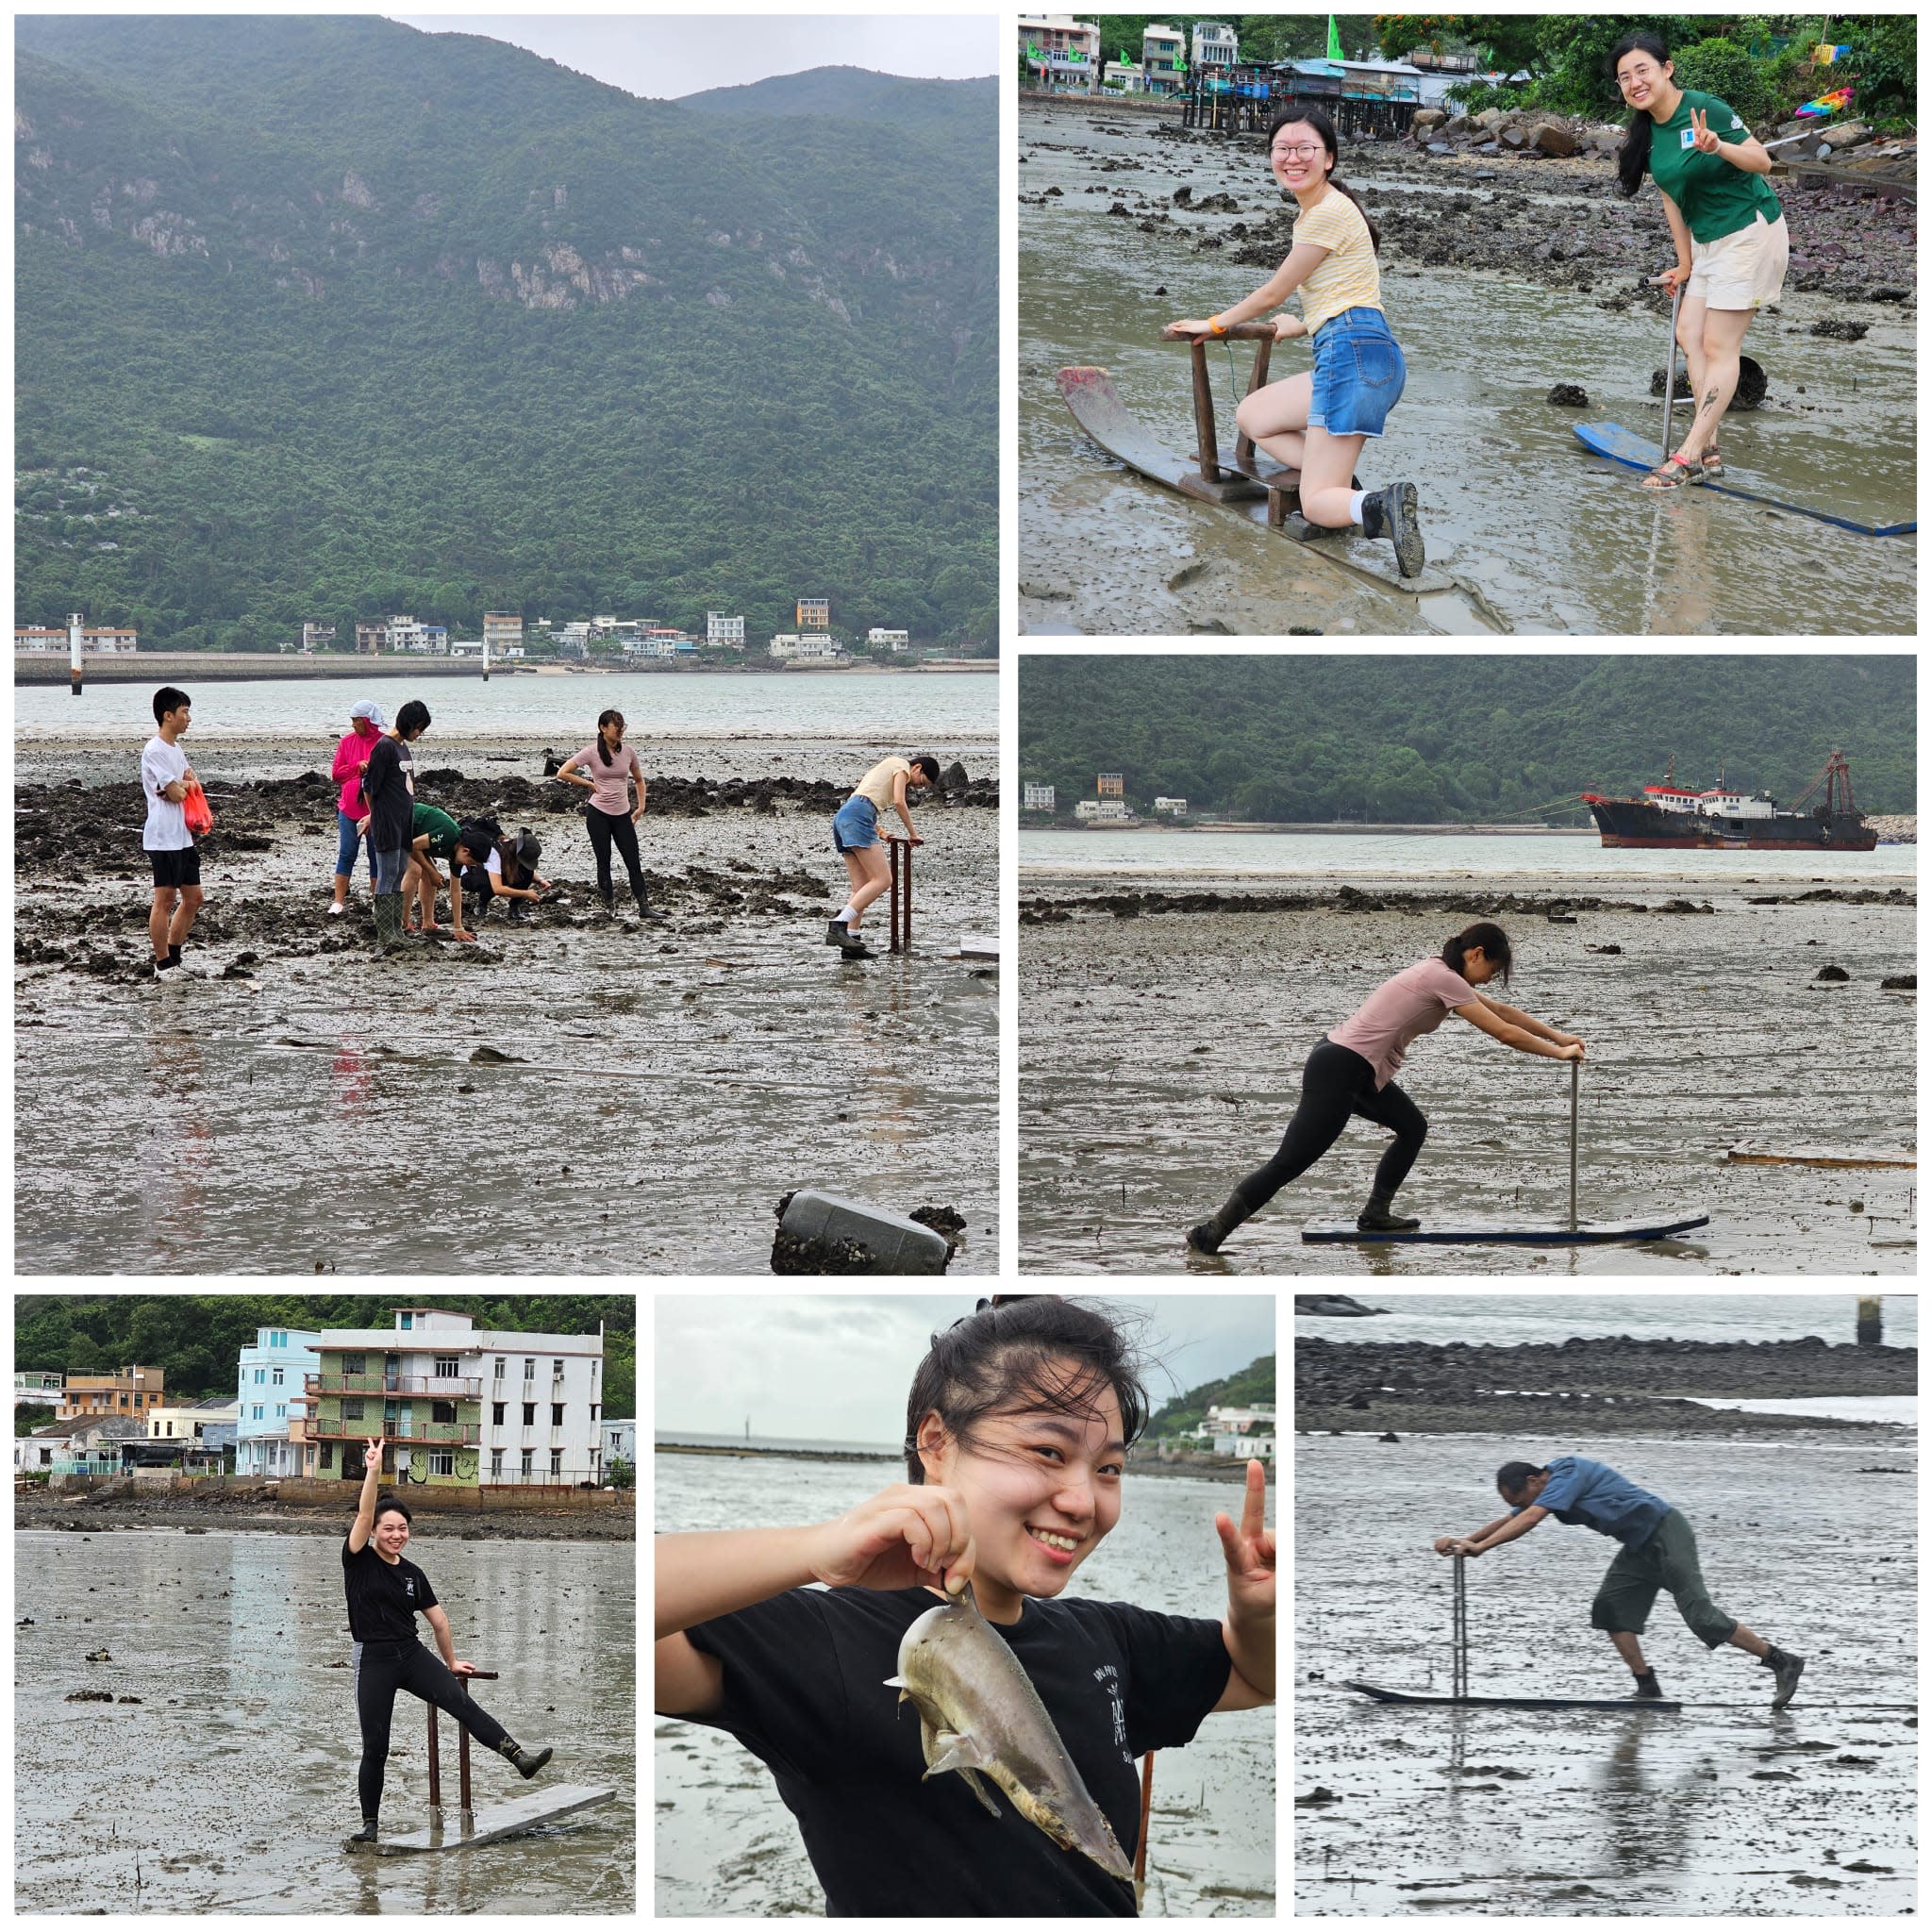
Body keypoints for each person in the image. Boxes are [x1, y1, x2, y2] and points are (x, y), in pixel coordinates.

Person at [655, 1296, 1274, 1916]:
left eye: (1109, 1468)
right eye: (1049, 1452)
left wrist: (1256, 1617)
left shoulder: (1107, 1640)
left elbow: (1253, 1674)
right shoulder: (826, 1640)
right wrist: (815, 1549)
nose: (1084, 1500)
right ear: (936, 1443)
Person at [1187, 922, 1582, 1252]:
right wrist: (1558, 1054)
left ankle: (1376, 1214)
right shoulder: (1441, 977)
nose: (1492, 979)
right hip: (1339, 1067)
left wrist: (1559, 1037)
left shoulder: (1441, 973)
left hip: (1356, 1068)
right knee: (1290, 1162)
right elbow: (1503, 1032)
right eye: (1492, 970)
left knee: (1412, 1127)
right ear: (1475, 954)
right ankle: (1212, 1233)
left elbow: (1502, 1011)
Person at [1167, 106, 1424, 577]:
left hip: (1350, 354)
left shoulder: (1324, 214)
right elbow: (1350, 293)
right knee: (1255, 416)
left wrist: (1215, 323)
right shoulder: (1332, 210)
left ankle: (1376, 504)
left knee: (1317, 503)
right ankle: (1343, 485)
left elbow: (1273, 291)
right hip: (1365, 350)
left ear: (1328, 158)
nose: (1292, 157)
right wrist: (1302, 324)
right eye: (1282, 149)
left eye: (1305, 148)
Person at [1435, 1457, 1806, 1709]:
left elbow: (1530, 1518)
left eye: (1521, 1495)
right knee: (1610, 1609)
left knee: (1701, 1617)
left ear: (1534, 1480)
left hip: (1665, 1533)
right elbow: (1513, 1516)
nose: (1521, 1503)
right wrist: (1463, 1539)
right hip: (1638, 1547)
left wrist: (1480, 1548)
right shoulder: (1543, 1491)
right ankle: (1647, 1687)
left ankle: (1781, 1661)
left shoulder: (1567, 1473)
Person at [341, 1433, 553, 1845]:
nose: (395, 1534)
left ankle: (518, 1757)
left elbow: (439, 1622)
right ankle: (370, 1825)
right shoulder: (358, 1559)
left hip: (410, 1654)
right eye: (388, 1529)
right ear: (375, 1532)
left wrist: (452, 1662)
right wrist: (372, 1471)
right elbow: (364, 1514)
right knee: (376, 1746)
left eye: (402, 1528)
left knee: (461, 1703)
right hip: (373, 1660)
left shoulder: (413, 1574)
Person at [1611, 31, 1787, 490]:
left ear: (1666, 69)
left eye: (1642, 70)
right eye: (1625, 77)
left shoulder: (1708, 108)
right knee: (1688, 333)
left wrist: (1717, 146)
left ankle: (1688, 454)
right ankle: (1708, 445)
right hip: (1709, 243)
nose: (1635, 82)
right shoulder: (1649, 134)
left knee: (1718, 346)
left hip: (1749, 230)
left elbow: (1762, 161)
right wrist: (1685, 263)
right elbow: (1673, 197)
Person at [827, 753, 941, 958]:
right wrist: (913, 834)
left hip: (844, 817)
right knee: (883, 879)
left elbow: (860, 800)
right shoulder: (902, 766)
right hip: (858, 817)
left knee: (860, 886)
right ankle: (839, 924)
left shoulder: (885, 768)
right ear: (917, 768)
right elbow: (899, 801)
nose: (919, 787)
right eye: (922, 781)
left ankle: (852, 942)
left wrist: (880, 833)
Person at [556, 709, 663, 921]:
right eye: (616, 725)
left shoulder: (629, 752)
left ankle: (644, 907)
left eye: (623, 725)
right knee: (603, 861)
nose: (621, 729)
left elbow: (639, 780)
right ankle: (610, 908)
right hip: (598, 814)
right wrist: (588, 783)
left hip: (622, 814)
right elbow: (562, 772)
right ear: (603, 728)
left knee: (633, 861)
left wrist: (641, 807)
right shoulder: (591, 752)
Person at [358, 699, 430, 957]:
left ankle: (397, 930)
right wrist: (373, 816)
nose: (419, 734)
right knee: (387, 873)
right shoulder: (385, 747)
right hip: (387, 821)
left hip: (404, 821)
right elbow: (369, 786)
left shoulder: (402, 748)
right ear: (409, 723)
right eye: (419, 728)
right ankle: (384, 933)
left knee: (400, 871)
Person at [142, 686, 202, 988]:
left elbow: (189, 780)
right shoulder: (154, 749)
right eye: (184, 712)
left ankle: (175, 958)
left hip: (183, 836)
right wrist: (184, 785)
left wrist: (185, 784)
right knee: (164, 899)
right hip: (162, 836)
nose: (188, 718)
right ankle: (163, 964)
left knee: (193, 897)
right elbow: (178, 792)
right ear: (168, 715)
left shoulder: (176, 749)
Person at [328, 701, 385, 918]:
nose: (354, 725)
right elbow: (336, 774)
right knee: (347, 853)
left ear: (368, 721)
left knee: (375, 855)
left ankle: (377, 901)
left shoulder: (383, 743)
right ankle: (338, 902)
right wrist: (357, 766)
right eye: (352, 721)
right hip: (348, 809)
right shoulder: (346, 742)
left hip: (374, 812)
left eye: (357, 721)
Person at [450, 824, 554, 941]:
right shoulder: (496, 853)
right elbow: (497, 888)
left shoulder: (511, 849)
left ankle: (514, 908)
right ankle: (481, 905)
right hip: (471, 875)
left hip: (491, 874)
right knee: (489, 882)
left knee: (527, 872)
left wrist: (540, 880)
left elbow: (527, 871)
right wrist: (525, 893)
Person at [405, 800, 464, 936]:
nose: (468, 865)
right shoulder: (448, 835)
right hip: (402, 823)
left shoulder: (459, 855)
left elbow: (455, 891)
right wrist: (432, 871)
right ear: (466, 850)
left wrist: (458, 927)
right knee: (415, 870)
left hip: (417, 836)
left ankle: (428, 924)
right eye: (470, 861)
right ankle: (402, 924)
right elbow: (413, 847)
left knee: (429, 876)